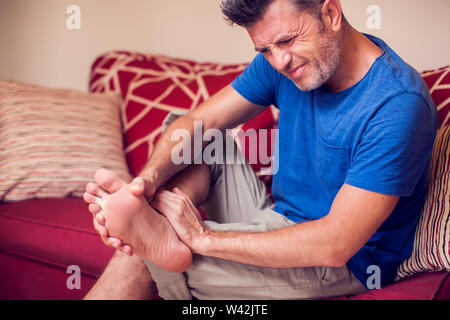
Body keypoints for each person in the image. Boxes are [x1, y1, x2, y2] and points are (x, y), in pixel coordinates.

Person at [82, 0, 438, 300]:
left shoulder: (396, 104)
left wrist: (203, 238)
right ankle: (159, 226)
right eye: (265, 50)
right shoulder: (283, 62)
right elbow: (195, 123)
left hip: (346, 261)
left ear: (330, 13)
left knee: (145, 254)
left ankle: (164, 240)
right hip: (276, 215)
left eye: (286, 40)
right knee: (189, 135)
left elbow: (336, 242)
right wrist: (142, 187)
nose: (279, 61)